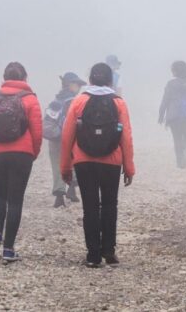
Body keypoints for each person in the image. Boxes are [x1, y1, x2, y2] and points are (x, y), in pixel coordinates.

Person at [60, 62, 136, 268]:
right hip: (112, 161)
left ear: (91, 79)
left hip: (84, 162)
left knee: (90, 207)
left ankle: (93, 255)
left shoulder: (79, 101)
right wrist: (129, 167)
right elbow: (126, 137)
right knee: (110, 205)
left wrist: (65, 167)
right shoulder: (119, 102)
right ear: (110, 80)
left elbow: (67, 136)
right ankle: (109, 251)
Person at [0, 62, 42, 263]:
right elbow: (37, 132)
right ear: (25, 78)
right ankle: (8, 249)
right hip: (21, 154)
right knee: (15, 200)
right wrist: (33, 153)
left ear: (5, 77)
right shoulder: (30, 98)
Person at [44, 72, 86, 208]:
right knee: (74, 164)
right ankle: (72, 189)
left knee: (57, 165)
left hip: (55, 139)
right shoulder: (76, 102)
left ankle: (59, 195)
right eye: (77, 84)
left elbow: (48, 123)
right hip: (71, 139)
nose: (79, 87)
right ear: (70, 84)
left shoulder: (55, 102)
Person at [158, 60, 186, 169]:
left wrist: (161, 114)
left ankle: (179, 162)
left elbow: (165, 100)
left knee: (177, 138)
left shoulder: (171, 84)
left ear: (176, 71)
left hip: (174, 116)